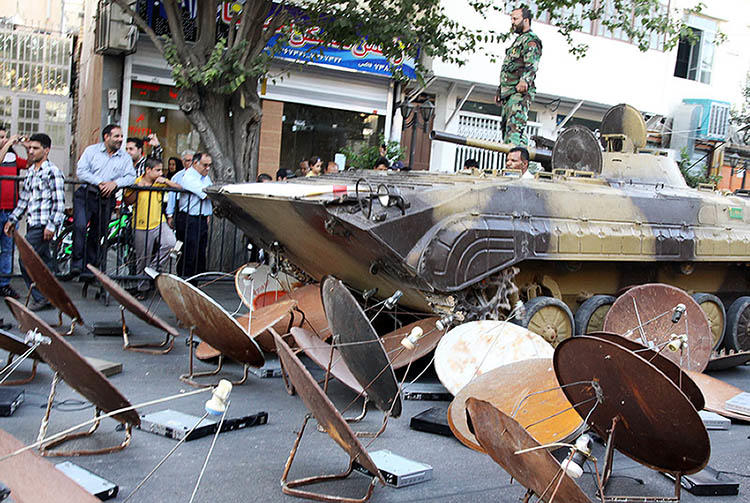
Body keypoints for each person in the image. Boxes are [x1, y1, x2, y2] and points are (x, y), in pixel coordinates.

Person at [65, 124, 136, 280]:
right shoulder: (92, 151)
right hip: (87, 194)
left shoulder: (124, 157)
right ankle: (76, 264)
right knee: (80, 226)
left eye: (121, 136)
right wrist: (100, 182)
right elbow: (81, 171)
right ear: (106, 137)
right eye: (116, 136)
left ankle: (88, 270)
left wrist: (115, 184)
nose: (120, 139)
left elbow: (131, 176)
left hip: (106, 198)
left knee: (97, 234)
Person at [3, 133, 64, 311]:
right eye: (29, 148)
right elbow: (24, 199)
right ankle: (53, 298)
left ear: (46, 150)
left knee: (26, 260)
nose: (31, 151)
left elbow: (59, 203)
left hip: (44, 224)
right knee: (44, 263)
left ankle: (42, 297)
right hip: (33, 222)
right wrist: (12, 220)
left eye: (35, 148)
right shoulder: (32, 171)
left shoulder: (52, 171)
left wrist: (51, 226)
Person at [124, 158, 181, 298]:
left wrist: (166, 181)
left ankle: (152, 269)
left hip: (158, 222)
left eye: (161, 170)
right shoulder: (136, 182)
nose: (160, 173)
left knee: (170, 243)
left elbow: (179, 188)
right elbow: (128, 200)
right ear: (148, 170)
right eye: (157, 170)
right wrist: (139, 188)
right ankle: (142, 288)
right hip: (141, 224)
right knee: (142, 258)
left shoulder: (159, 182)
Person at [496, 6, 542, 146]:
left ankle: (521, 165)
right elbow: (509, 68)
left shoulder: (530, 40)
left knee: (515, 132)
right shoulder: (518, 41)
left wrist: (525, 80)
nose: (513, 22)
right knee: (509, 133)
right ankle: (525, 163)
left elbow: (532, 63)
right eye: (512, 19)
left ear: (526, 20)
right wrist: (501, 90)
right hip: (509, 93)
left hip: (518, 93)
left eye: (516, 19)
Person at [0, 126, 27, 299]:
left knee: (8, 249)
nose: (3, 140)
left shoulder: (12, 157)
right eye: (0, 137)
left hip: (10, 210)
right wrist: (9, 142)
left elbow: (29, 163)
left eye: (4, 137)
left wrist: (27, 145)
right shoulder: (4, 154)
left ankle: (3, 284)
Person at [179, 153, 213, 276]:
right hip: (190, 218)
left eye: (209, 165)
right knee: (190, 252)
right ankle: (186, 279)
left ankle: (197, 280)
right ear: (195, 163)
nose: (207, 168)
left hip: (201, 217)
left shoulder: (205, 177)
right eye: (205, 165)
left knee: (200, 252)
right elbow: (207, 193)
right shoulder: (189, 177)